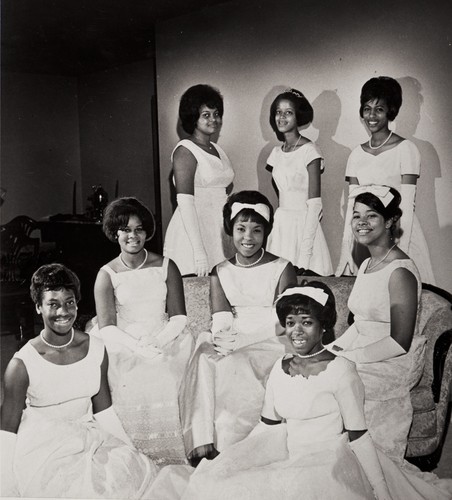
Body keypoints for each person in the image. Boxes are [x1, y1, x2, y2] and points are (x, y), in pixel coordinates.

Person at [175, 283, 452, 500]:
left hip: (328, 463)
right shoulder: (278, 367)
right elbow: (266, 426)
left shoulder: (342, 370)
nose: (297, 330)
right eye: (291, 322)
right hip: (287, 456)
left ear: (324, 327)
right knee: (223, 482)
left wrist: (382, 490)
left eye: (306, 322)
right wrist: (233, 457)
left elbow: (359, 437)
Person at [0, 264, 159, 498]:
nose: (63, 312)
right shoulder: (22, 364)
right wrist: (6, 486)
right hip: (43, 450)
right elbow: (7, 432)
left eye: (69, 302)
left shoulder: (96, 348)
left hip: (89, 440)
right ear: (38, 307)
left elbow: (104, 410)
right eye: (52, 304)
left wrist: (131, 449)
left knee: (130, 476)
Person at [179, 190, 297, 464]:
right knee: (205, 358)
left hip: (272, 337)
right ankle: (205, 444)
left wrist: (243, 341)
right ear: (229, 230)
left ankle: (237, 445)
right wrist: (224, 338)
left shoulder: (282, 267)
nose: (248, 237)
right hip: (236, 334)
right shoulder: (220, 271)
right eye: (241, 229)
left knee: (236, 364)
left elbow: (286, 320)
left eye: (257, 230)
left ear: (266, 232)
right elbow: (221, 315)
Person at [91, 197, 193, 465]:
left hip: (165, 335)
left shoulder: (166, 265)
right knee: (128, 375)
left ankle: (171, 453)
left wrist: (157, 341)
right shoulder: (106, 274)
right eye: (125, 229)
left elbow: (180, 316)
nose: (132, 236)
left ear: (147, 232)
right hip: (123, 340)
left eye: (138, 229)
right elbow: (107, 326)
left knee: (166, 373)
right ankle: (133, 455)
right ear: (115, 234)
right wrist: (137, 346)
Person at [330, 185, 426, 466]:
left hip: (393, 358)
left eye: (371, 216)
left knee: (339, 385)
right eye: (357, 215)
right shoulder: (367, 264)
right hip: (365, 348)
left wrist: (350, 358)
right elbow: (361, 324)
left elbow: (400, 341)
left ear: (390, 221)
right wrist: (333, 349)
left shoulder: (400, 272)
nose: (361, 222)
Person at [336, 76, 435, 283]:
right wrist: (346, 250)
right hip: (366, 238)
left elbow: (407, 206)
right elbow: (352, 210)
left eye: (379, 109)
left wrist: (400, 253)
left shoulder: (406, 149)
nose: (371, 115)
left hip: (400, 235)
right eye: (367, 108)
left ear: (390, 111)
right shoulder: (356, 154)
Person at [164, 84, 235, 277]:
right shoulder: (185, 150)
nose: (214, 119)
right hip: (194, 230)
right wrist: (199, 252)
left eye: (216, 113)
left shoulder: (217, 149)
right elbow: (185, 202)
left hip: (219, 228)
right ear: (193, 117)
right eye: (206, 115)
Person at [265, 88, 332, 275]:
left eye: (288, 113)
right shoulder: (276, 154)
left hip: (304, 224)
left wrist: (305, 253)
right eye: (278, 112)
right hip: (281, 225)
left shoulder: (310, 151)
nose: (282, 117)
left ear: (298, 117)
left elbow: (315, 204)